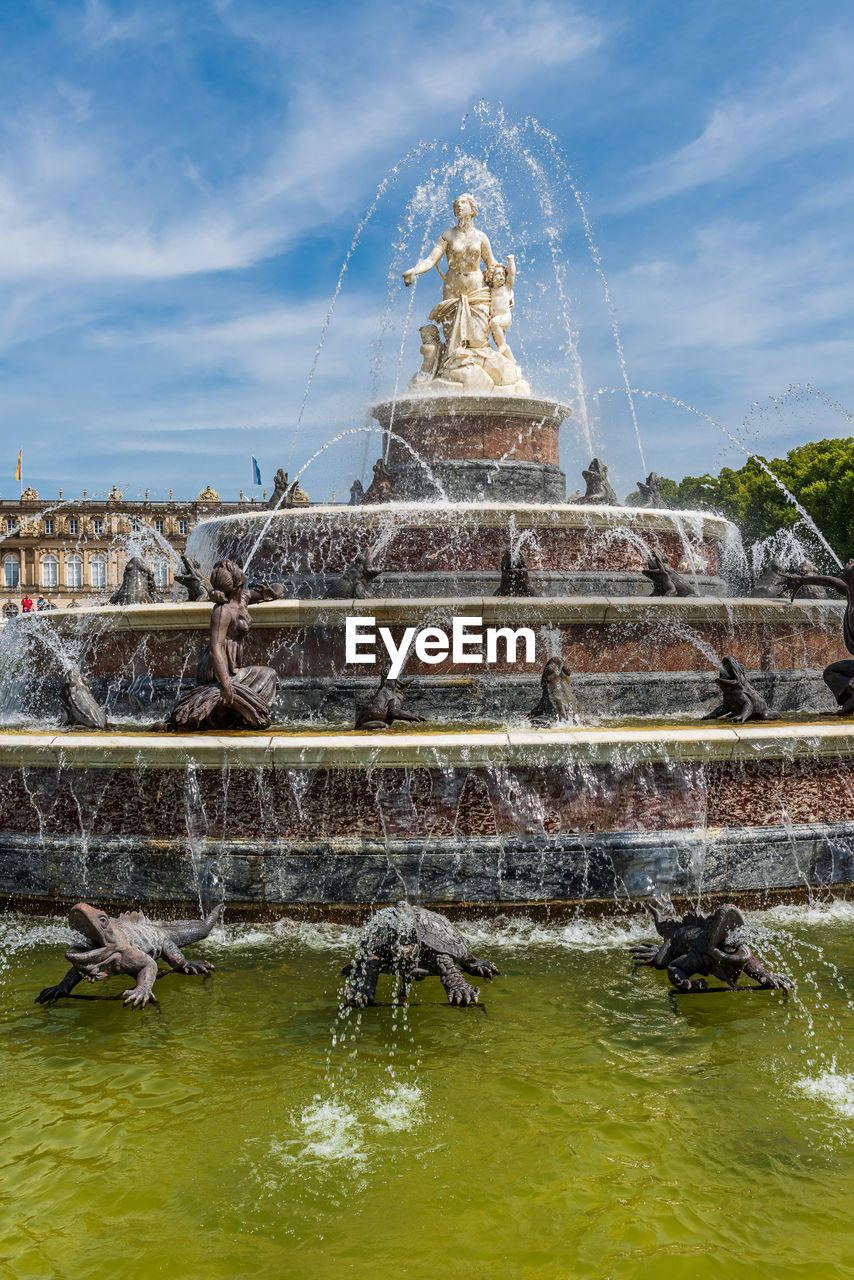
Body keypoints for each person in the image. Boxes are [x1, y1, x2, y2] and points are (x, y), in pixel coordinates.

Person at [168, 559, 277, 730]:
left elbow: (276, 592)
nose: (242, 569)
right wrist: (225, 682)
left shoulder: (244, 598)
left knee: (268, 675)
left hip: (232, 664)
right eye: (237, 568)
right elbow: (215, 648)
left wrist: (272, 590)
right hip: (217, 667)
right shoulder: (222, 611)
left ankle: (239, 714)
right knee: (266, 675)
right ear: (236, 580)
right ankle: (237, 713)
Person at [402, 193, 496, 358]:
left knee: (478, 338)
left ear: (472, 208)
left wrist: (508, 280)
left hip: (476, 289)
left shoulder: (481, 237)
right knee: (452, 337)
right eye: (456, 204)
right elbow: (431, 259)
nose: (459, 206)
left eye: (463, 203)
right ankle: (452, 367)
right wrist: (414, 270)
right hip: (453, 289)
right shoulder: (447, 235)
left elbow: (492, 264)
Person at [782, 560, 854, 713]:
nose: (850, 561)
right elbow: (830, 582)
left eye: (853, 564)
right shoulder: (850, 591)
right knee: (832, 673)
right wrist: (802, 580)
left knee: (831, 673)